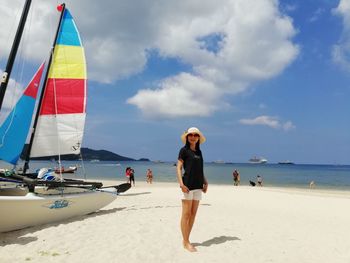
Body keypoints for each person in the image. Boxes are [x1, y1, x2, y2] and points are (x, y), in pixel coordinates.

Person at [177, 127, 208, 252]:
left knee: (193, 214)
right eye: (191, 135)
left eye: (196, 135)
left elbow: (200, 169)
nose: (193, 137)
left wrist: (205, 181)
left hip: (198, 186)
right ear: (187, 137)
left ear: (198, 138)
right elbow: (179, 168)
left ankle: (186, 239)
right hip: (188, 186)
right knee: (186, 214)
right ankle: (186, 242)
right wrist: (181, 184)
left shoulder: (199, 152)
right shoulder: (184, 151)